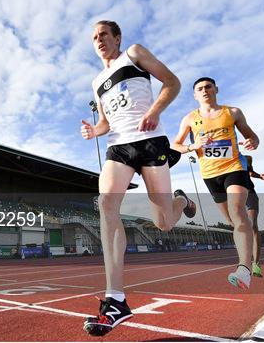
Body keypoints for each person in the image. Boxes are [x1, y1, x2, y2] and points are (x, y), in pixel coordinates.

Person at [81, 20, 196, 337]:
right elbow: (105, 122)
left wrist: (156, 110)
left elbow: (172, 82)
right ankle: (115, 299)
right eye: (94, 37)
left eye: (104, 34)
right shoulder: (97, 82)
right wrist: (95, 131)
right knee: (106, 204)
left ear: (117, 37)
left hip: (150, 141)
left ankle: (181, 201)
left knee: (163, 222)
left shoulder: (133, 53)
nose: (99, 39)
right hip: (118, 146)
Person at [173, 77, 259, 289]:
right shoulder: (189, 119)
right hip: (210, 175)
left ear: (216, 89)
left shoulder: (233, 112)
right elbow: (176, 145)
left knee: (237, 211)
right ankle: (246, 257)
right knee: (231, 220)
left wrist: (252, 142)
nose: (204, 91)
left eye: (208, 87)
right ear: (195, 95)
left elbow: (253, 137)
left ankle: (244, 268)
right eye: (199, 89)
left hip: (234, 168)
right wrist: (193, 146)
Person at [244, 155, 264, 277]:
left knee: (253, 225)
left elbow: (250, 173)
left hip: (249, 194)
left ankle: (256, 263)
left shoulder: (247, 158)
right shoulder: (218, 158)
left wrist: (261, 176)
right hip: (233, 196)